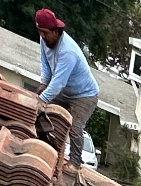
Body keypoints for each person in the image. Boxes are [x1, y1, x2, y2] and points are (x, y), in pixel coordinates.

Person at [35, 8, 100, 169]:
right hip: (65, 91)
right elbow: (46, 64)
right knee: (46, 114)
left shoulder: (68, 52)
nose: (42, 36)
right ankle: (47, 150)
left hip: (85, 95)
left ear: (55, 31)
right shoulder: (45, 40)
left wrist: (41, 100)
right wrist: (43, 83)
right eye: (39, 32)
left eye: (45, 32)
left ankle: (75, 163)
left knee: (75, 126)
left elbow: (58, 83)